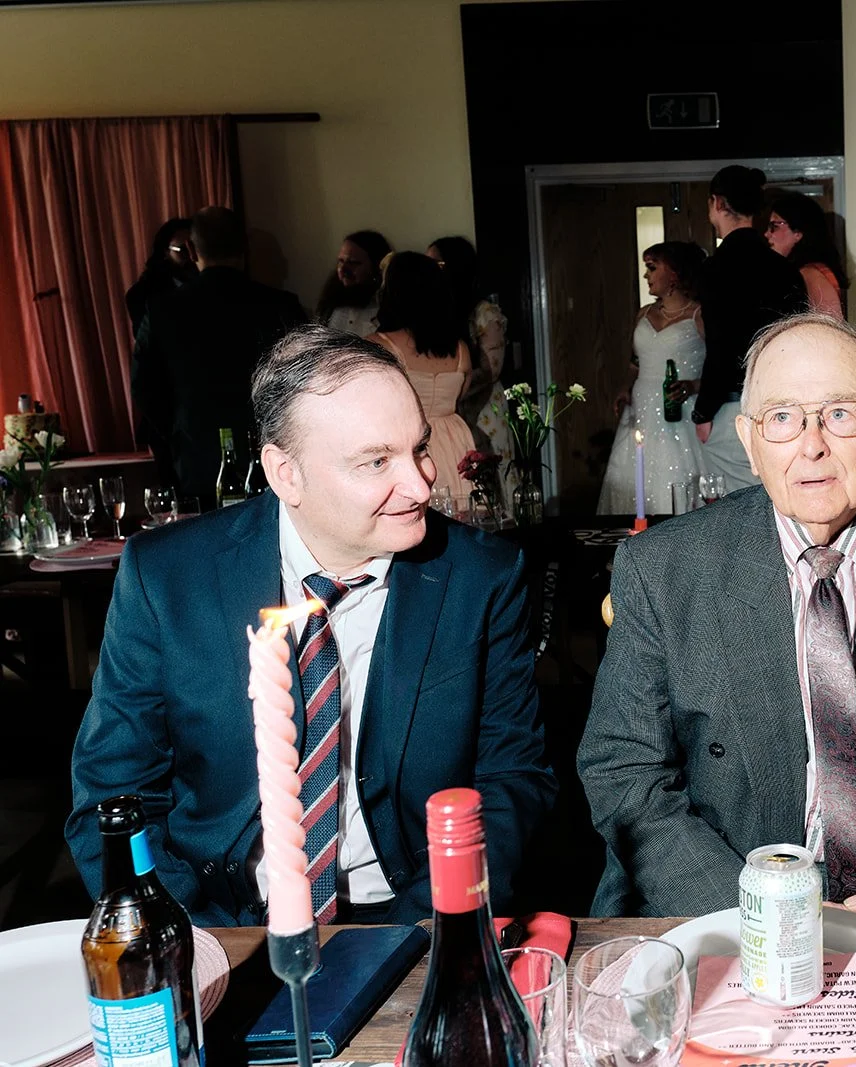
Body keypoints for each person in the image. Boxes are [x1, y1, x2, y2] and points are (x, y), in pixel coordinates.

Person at [68, 325, 558, 926]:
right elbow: (112, 798)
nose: (421, 483)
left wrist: (432, 928)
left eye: (419, 448)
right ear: (285, 474)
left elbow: (512, 781)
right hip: (218, 917)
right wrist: (188, 939)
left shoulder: (481, 577)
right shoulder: (168, 578)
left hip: (416, 915)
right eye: (376, 461)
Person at [580, 313, 856, 918]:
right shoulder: (664, 569)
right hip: (722, 905)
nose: (812, 444)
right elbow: (624, 770)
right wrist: (755, 913)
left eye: (840, 414)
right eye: (783, 418)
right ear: (749, 439)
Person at [130, 206, 306, 507]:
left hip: (196, 454)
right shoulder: (281, 306)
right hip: (273, 456)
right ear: (244, 249)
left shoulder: (162, 310)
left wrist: (177, 431)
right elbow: (303, 382)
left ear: (192, 249)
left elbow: (143, 387)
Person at [692, 165, 807, 492]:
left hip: (734, 407)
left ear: (716, 202)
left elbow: (720, 346)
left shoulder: (714, 270)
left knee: (738, 510)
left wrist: (703, 412)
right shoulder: (785, 270)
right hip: (784, 405)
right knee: (781, 501)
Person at [598, 241, 707, 515]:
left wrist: (693, 385)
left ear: (674, 273)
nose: (646, 275)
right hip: (641, 408)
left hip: (680, 412)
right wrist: (625, 387)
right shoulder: (644, 314)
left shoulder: (699, 315)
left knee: (678, 482)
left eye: (651, 268)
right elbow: (635, 363)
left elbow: (722, 368)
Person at [366, 251, 474, 505]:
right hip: (456, 438)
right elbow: (462, 394)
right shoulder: (460, 348)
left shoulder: (377, 345)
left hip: (412, 443)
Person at [427, 236, 514, 502]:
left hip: (484, 406)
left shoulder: (484, 312)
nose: (429, 270)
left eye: (435, 263)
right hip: (452, 410)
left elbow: (492, 369)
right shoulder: (437, 310)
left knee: (491, 472)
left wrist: (449, 389)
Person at [765, 192, 846, 320]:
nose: (767, 234)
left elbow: (830, 327)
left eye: (774, 226)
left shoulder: (810, 273)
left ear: (798, 232)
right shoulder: (808, 272)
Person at [125, 216, 196, 333]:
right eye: (183, 250)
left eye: (195, 247)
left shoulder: (211, 282)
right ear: (165, 252)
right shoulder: (142, 295)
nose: (192, 256)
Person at [316, 230, 391, 337]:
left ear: (376, 267)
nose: (342, 269)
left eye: (353, 263)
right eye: (341, 261)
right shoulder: (332, 304)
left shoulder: (385, 310)